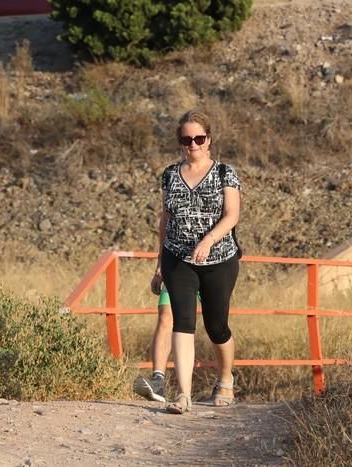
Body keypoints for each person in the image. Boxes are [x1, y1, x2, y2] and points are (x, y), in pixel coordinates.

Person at [155, 110, 241, 414]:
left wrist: (208, 240)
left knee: (216, 326)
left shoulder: (224, 173)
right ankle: (184, 394)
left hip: (219, 259)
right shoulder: (169, 175)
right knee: (183, 322)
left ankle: (226, 379)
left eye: (198, 138)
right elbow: (165, 220)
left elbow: (232, 215)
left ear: (209, 140)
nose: (193, 144)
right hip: (178, 258)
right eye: (186, 139)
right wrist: (159, 264)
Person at [132, 275, 173, 403]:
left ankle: (224, 382)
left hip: (215, 265)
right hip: (178, 264)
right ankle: (158, 382)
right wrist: (159, 268)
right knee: (165, 317)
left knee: (215, 324)